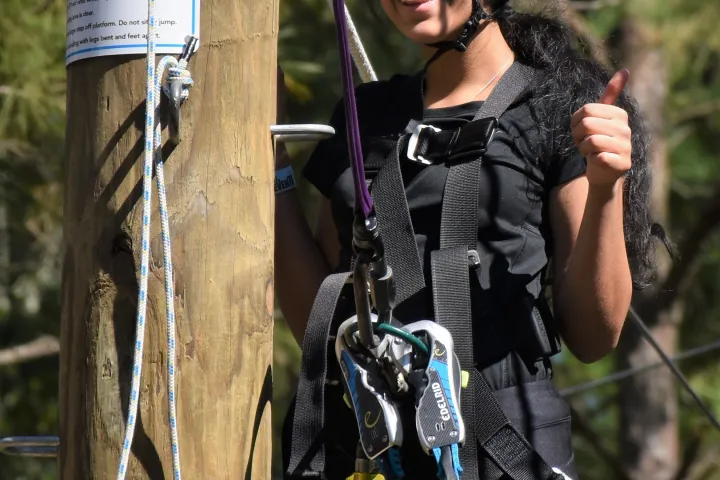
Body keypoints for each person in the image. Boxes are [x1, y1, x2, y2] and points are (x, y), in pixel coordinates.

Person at [274, 0, 669, 478]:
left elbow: (594, 335)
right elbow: (320, 322)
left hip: (502, 448)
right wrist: (272, 163)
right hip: (373, 444)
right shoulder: (364, 117)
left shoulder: (556, 109)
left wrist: (606, 187)